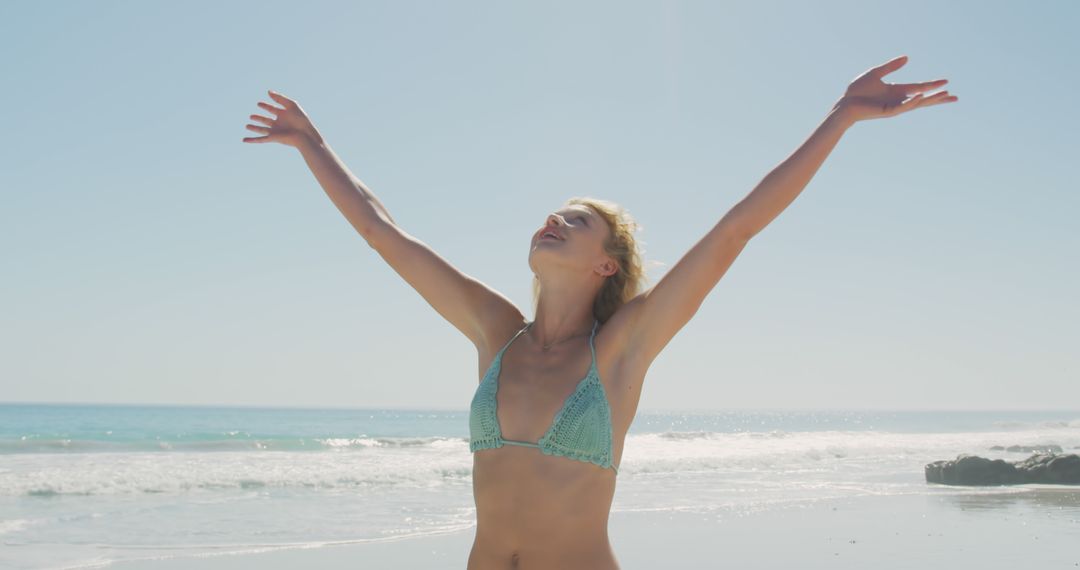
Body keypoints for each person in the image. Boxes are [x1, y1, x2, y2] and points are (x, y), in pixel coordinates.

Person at [243, 54, 956, 569]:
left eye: (577, 221)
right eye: (554, 211)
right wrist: (314, 144)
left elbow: (737, 227)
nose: (555, 217)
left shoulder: (622, 348)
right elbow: (381, 232)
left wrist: (841, 117)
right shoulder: (495, 334)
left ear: (605, 264)